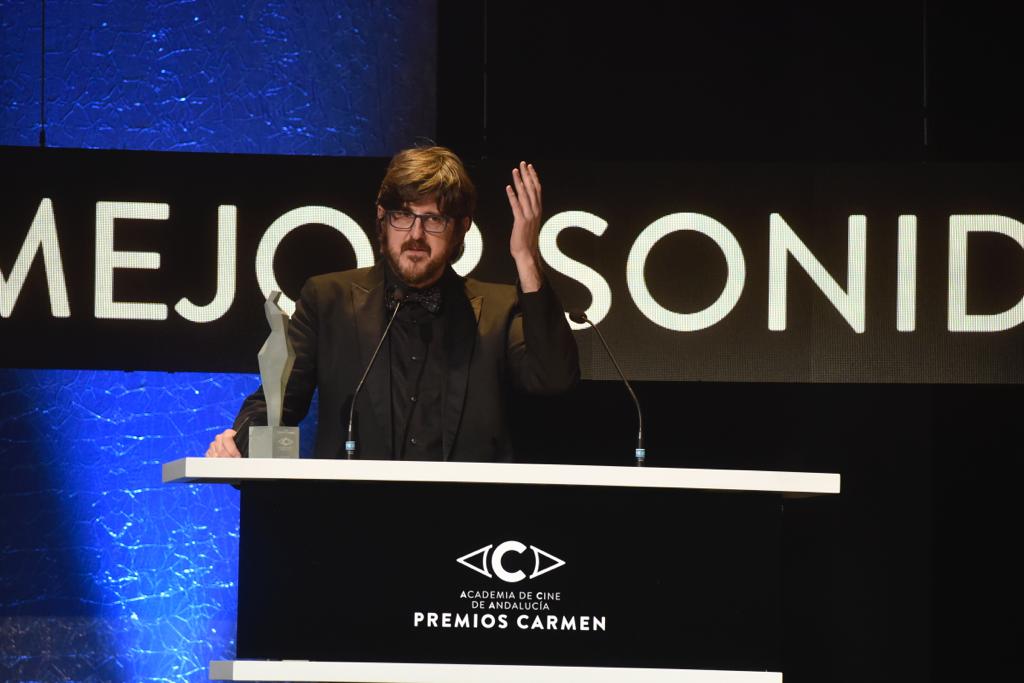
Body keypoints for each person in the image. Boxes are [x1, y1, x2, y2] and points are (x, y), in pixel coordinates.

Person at [205, 145, 579, 461]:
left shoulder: (498, 307)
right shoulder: (327, 299)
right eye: (403, 216)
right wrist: (238, 443)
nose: (416, 235)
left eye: (434, 220)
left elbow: (553, 379)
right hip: (355, 522)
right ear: (382, 218)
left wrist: (526, 258)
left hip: (470, 526)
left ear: (462, 228)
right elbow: (278, 400)